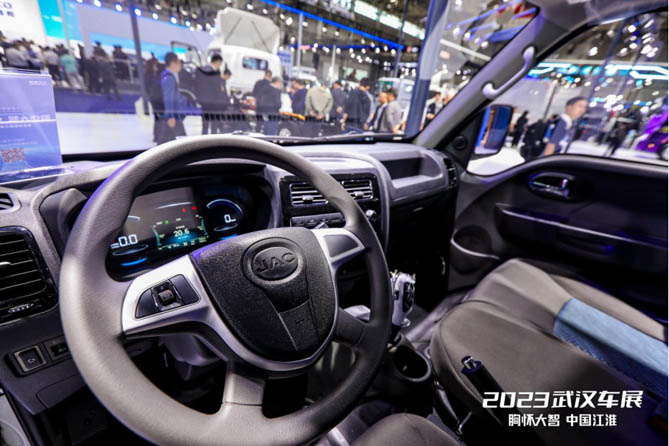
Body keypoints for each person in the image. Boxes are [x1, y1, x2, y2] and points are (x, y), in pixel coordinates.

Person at [157, 52, 187, 144]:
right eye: (178, 62)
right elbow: (168, 98)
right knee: (182, 141)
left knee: (166, 140)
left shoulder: (169, 75)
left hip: (173, 114)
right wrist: (170, 116)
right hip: (174, 115)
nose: (180, 65)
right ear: (173, 63)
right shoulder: (169, 78)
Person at [195, 54, 225, 135]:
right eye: (220, 64)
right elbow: (218, 87)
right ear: (218, 62)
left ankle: (203, 139)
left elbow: (196, 85)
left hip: (204, 102)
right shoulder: (215, 73)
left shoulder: (201, 70)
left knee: (205, 124)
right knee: (214, 124)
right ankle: (213, 140)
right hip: (214, 102)